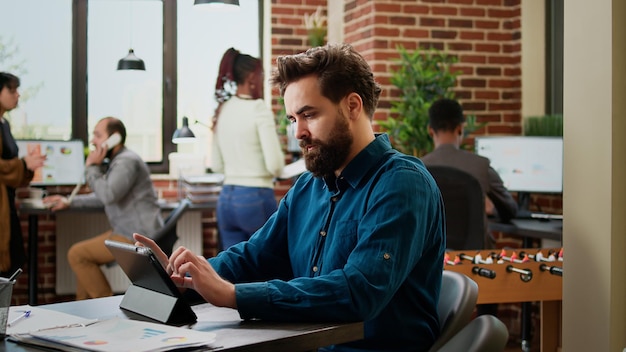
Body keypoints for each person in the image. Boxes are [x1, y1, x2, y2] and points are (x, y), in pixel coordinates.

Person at [135, 43, 446, 351]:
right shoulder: (308, 187)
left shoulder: (402, 184)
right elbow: (254, 256)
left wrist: (233, 295)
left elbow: (359, 291)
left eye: (308, 115)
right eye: (292, 119)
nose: (298, 133)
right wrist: (184, 280)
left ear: (353, 106)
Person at [43, 117, 163, 300]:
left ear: (114, 138)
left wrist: (92, 167)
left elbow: (107, 194)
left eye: (98, 135)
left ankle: (105, 305)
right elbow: (105, 196)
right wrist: (70, 201)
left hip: (136, 236)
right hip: (127, 232)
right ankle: (80, 314)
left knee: (77, 255)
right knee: (82, 257)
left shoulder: (126, 162)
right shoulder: (119, 161)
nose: (92, 141)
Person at [210, 47, 285, 250]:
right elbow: (276, 166)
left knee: (233, 270)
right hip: (255, 199)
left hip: (226, 199)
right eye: (261, 75)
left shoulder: (222, 109)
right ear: (252, 76)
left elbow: (216, 165)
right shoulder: (258, 108)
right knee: (267, 266)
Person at [421, 98, 518, 233]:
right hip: (474, 253)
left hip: (432, 253)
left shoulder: (419, 169)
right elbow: (510, 210)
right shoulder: (481, 166)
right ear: (460, 129)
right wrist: (490, 210)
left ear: (430, 131)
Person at [0, 72, 46, 276]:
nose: (17, 95)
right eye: (11, 90)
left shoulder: (5, 124)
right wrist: (22, 164)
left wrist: (27, 166)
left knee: (14, 261)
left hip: (7, 204)